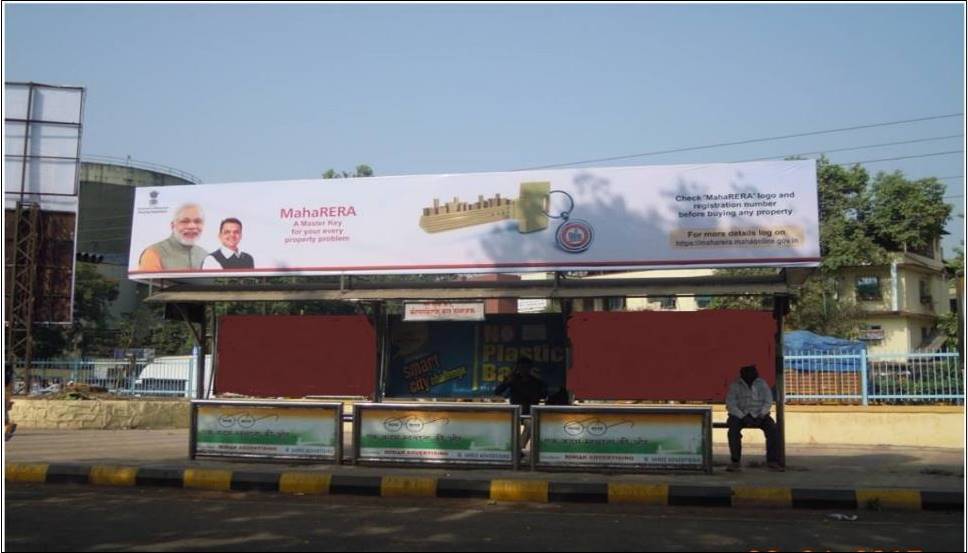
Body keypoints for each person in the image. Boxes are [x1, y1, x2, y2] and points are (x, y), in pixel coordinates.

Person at [725, 364, 782, 472]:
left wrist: (761, 415)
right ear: (743, 373)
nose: (754, 374)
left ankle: (773, 461)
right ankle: (735, 461)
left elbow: (768, 401)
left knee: (773, 429)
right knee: (733, 431)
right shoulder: (735, 385)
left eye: (754, 371)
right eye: (750, 372)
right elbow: (731, 405)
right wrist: (743, 417)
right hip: (740, 415)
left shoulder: (762, 384)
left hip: (760, 415)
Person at [494, 356, 547, 456]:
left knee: (530, 425)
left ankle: (519, 450)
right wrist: (507, 381)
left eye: (526, 367)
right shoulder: (513, 380)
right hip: (515, 412)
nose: (524, 370)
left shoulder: (535, 381)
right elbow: (497, 391)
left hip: (530, 413)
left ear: (530, 368)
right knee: (507, 426)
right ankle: (514, 450)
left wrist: (540, 381)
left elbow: (544, 394)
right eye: (521, 367)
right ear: (517, 368)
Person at [138, 203, 208, 271]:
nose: (192, 226)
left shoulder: (204, 255)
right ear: (172, 225)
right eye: (185, 221)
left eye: (197, 221)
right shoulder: (154, 253)